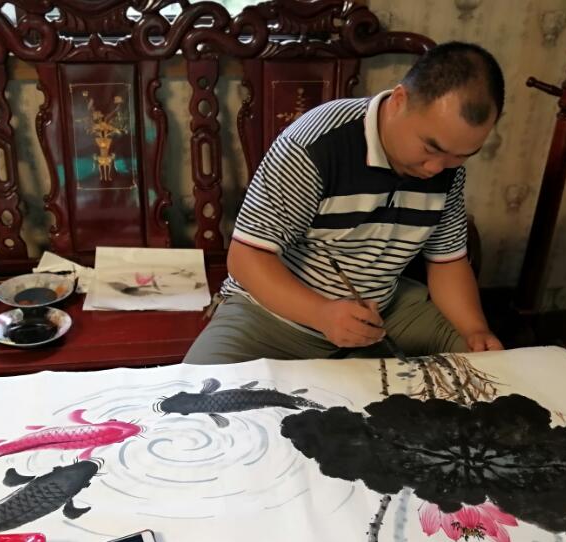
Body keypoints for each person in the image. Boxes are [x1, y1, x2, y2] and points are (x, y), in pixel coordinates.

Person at [184, 42, 505, 365]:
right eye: (430, 148)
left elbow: (447, 261)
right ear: (399, 101)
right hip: (273, 316)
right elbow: (246, 258)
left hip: (385, 313)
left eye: (461, 156)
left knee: (483, 364)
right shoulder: (314, 143)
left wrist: (475, 330)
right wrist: (321, 314)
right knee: (196, 388)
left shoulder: (448, 170)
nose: (437, 168)